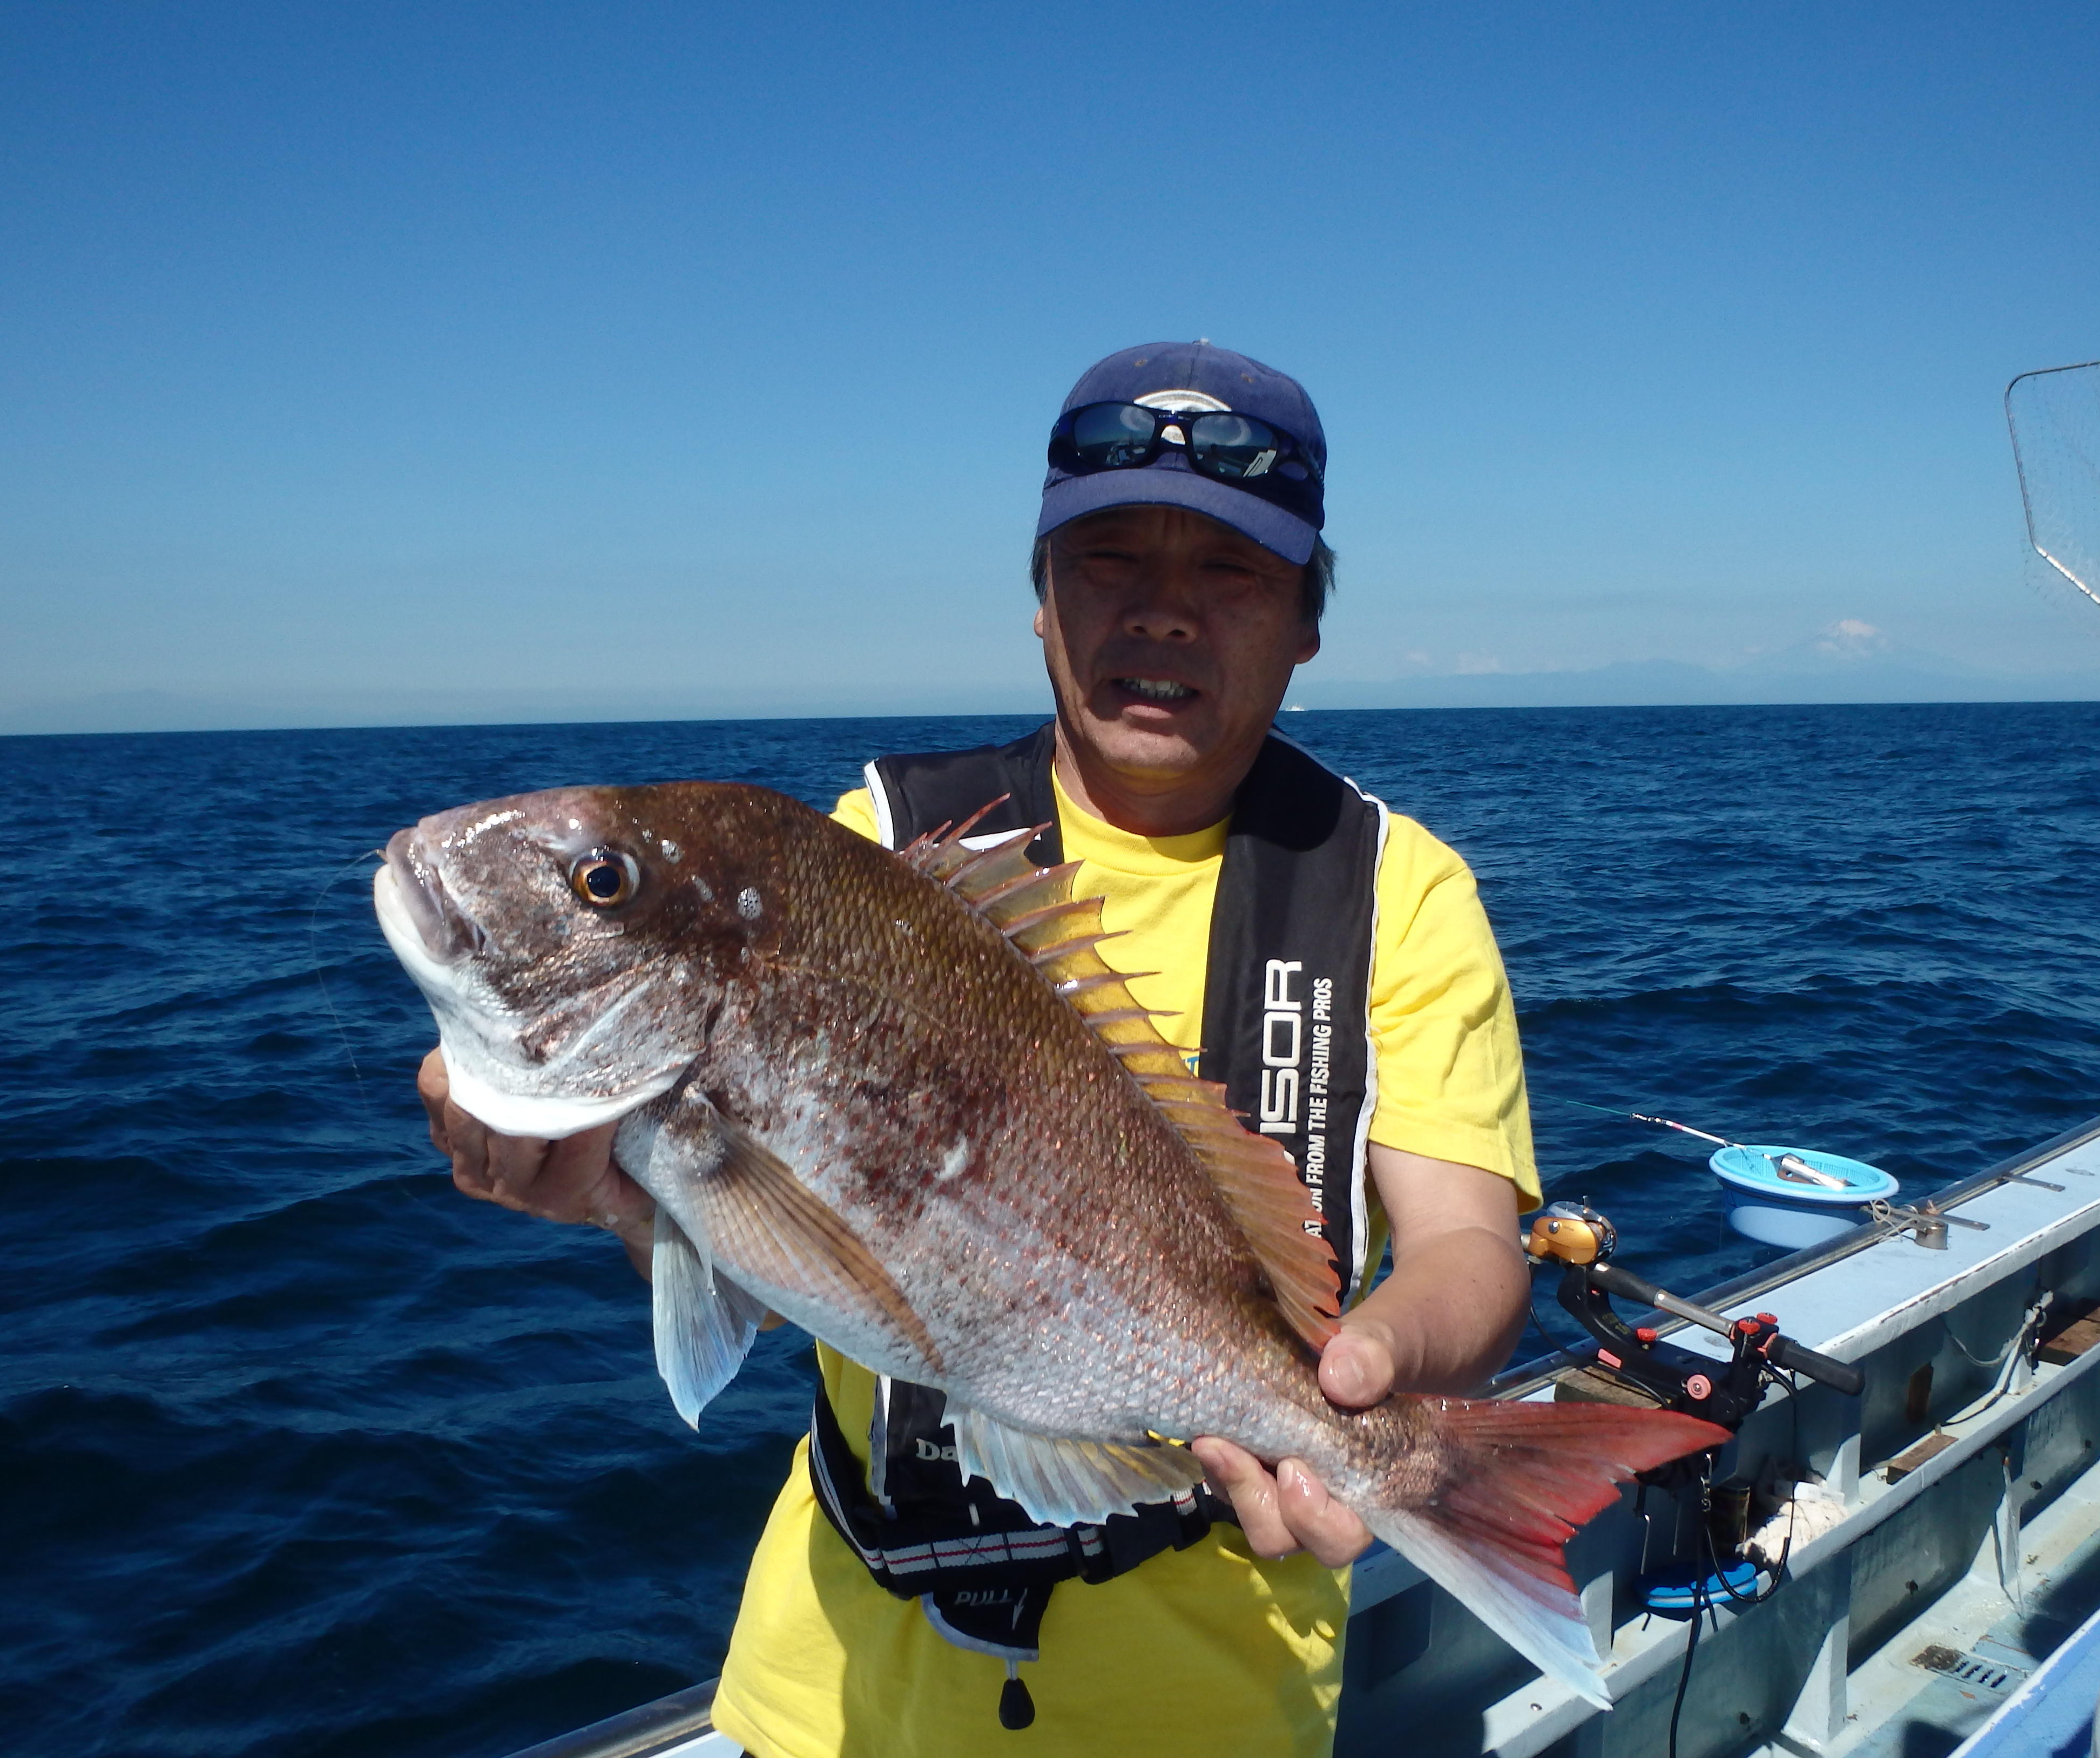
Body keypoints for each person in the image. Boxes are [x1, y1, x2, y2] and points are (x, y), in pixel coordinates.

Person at [418, 341, 1544, 1758]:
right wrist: (599, 1190)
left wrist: (1369, 1378)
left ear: (1310, 619)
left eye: (1230, 574)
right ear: (1040, 599)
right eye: (1110, 562)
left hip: (1211, 1703)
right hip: (834, 1696)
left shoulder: (1401, 893)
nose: (1163, 616)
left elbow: (1471, 1248)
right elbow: (762, 1264)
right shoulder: (872, 851)